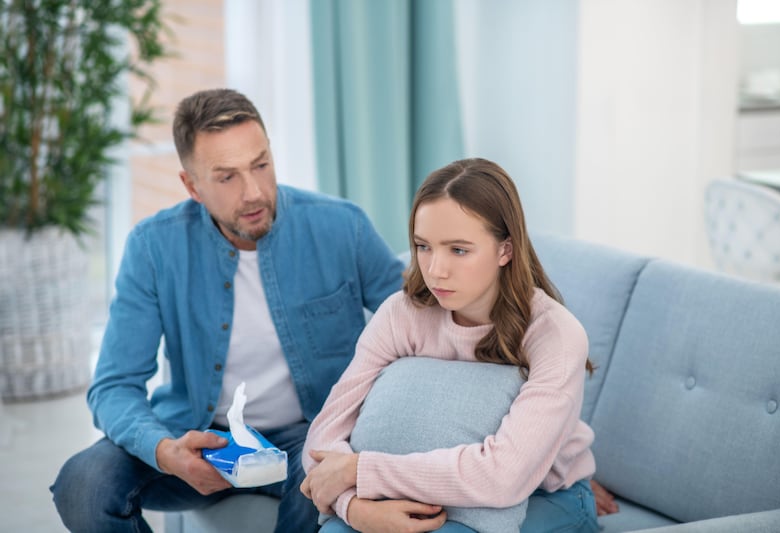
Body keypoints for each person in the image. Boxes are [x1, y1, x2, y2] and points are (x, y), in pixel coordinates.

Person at [50, 88, 405, 533]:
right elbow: (114, 385)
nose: (254, 191)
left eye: (261, 164)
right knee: (82, 486)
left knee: (319, 484)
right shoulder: (153, 247)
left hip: (308, 438)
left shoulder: (343, 227)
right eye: (227, 177)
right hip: (198, 436)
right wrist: (164, 449)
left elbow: (415, 320)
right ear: (192, 186)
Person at [300, 157, 600, 532]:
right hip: (415, 491)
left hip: (543, 496)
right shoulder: (401, 313)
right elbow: (323, 438)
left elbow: (503, 476)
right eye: (423, 246)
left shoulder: (554, 334)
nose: (435, 269)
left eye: (458, 250)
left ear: (505, 250)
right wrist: (354, 508)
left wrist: (362, 470)